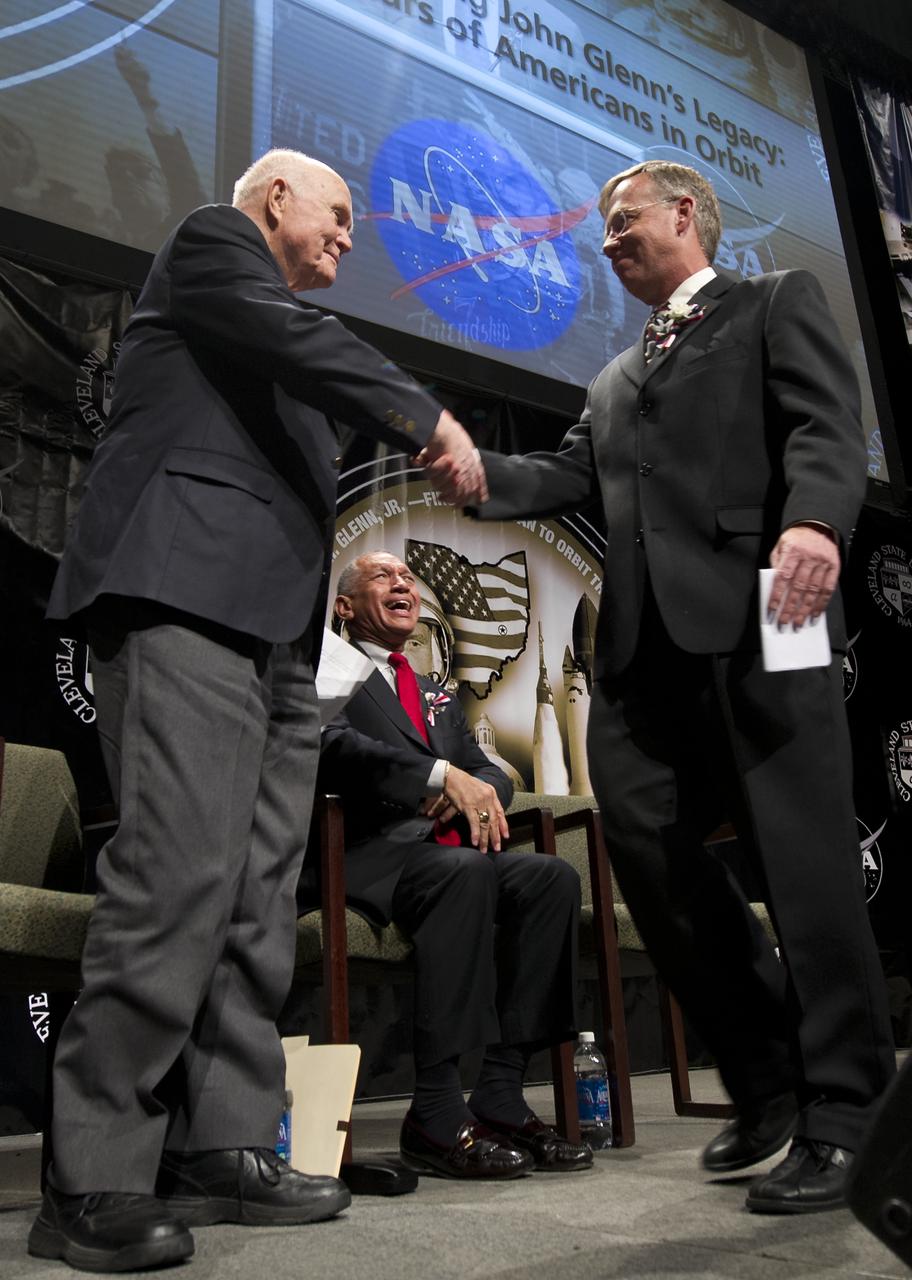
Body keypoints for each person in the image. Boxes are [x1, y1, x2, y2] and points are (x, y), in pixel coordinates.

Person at [28, 149, 486, 1273]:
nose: (346, 239)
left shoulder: (272, 321)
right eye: (336, 216)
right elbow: (301, 349)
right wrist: (423, 412)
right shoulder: (210, 244)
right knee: (178, 870)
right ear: (275, 196)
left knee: (253, 893)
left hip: (282, 635)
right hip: (184, 590)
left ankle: (226, 1141)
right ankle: (91, 1171)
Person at [430, 160, 896, 1213]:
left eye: (622, 218)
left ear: (686, 214)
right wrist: (475, 475)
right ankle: (773, 1078)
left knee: (806, 864)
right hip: (646, 651)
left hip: (767, 618)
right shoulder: (610, 380)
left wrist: (816, 520)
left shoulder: (776, 301)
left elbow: (827, 422)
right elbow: (564, 476)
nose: (606, 240)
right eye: (603, 226)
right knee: (644, 841)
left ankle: (849, 1109)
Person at [306, 550, 590, 1179]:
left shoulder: (436, 692)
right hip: (366, 855)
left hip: (445, 851)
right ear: (346, 608)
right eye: (383, 577)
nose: (402, 583)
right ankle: (434, 1112)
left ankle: (501, 1092)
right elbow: (331, 748)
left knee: (551, 879)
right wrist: (432, 777)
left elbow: (490, 772)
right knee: (466, 875)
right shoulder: (327, 670)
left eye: (407, 577)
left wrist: (474, 787)